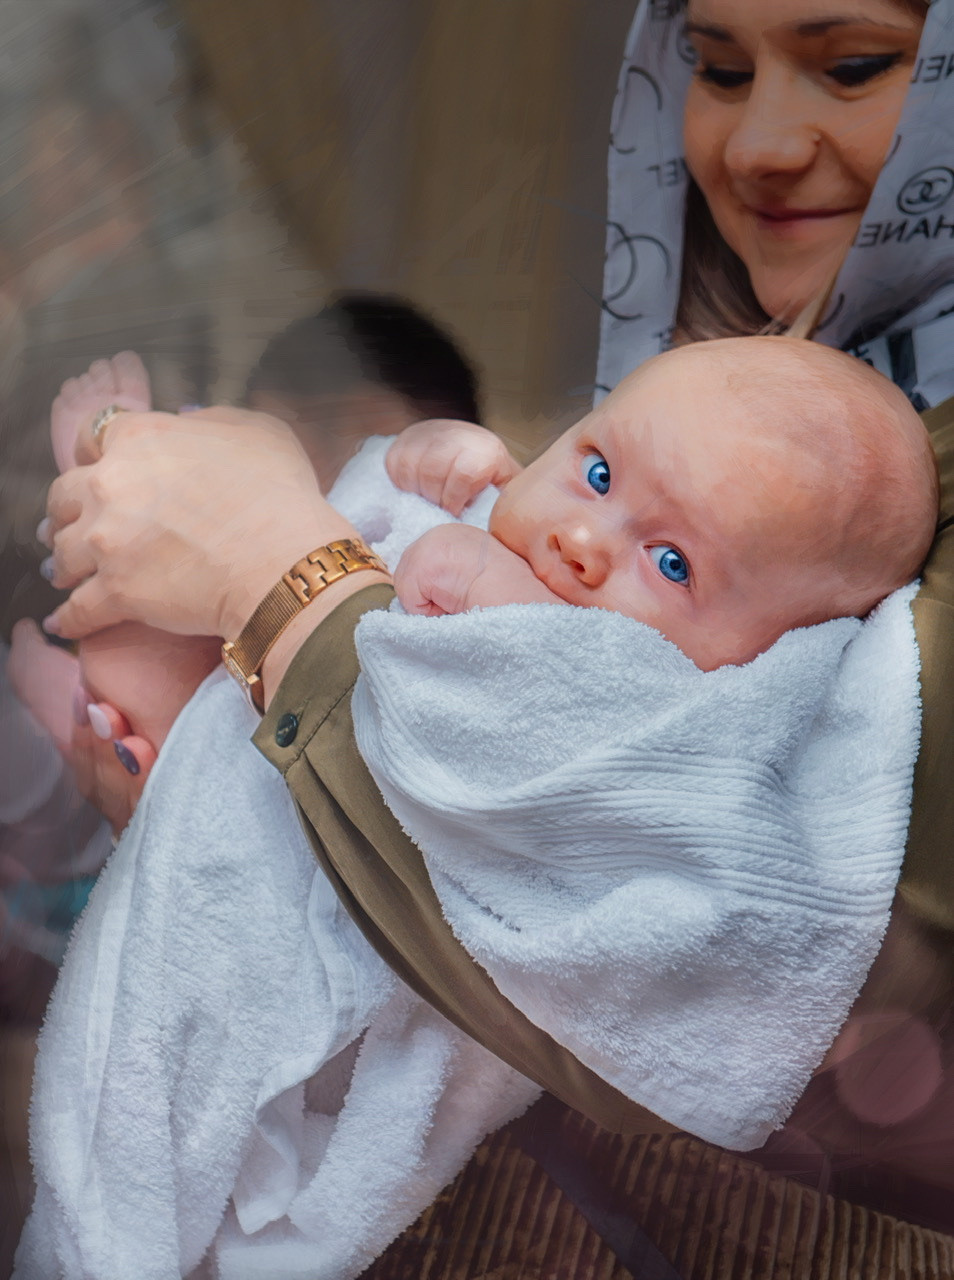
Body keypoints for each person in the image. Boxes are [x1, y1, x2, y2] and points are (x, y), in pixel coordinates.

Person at [24, 0, 954, 1262]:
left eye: (853, 64)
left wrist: (269, 565)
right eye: (719, 67)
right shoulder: (715, 402)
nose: (759, 145)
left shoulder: (868, 523)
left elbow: (669, 919)